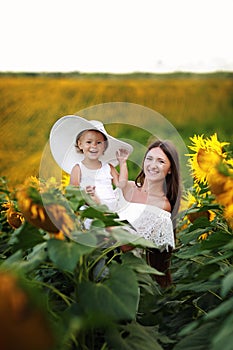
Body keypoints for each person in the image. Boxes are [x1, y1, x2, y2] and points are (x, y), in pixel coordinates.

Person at [115, 140, 182, 288]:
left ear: (170, 169)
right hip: (95, 259)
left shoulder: (162, 206)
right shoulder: (128, 186)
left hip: (124, 277)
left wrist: (102, 223)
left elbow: (126, 245)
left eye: (161, 161)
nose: (152, 165)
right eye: (149, 159)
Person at [49, 115, 133, 212]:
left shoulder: (108, 167)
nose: (94, 146)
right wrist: (85, 193)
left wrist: (123, 163)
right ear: (80, 144)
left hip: (111, 210)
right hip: (91, 211)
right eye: (89, 142)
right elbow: (72, 192)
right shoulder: (78, 168)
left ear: (104, 146)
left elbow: (121, 184)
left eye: (98, 143)